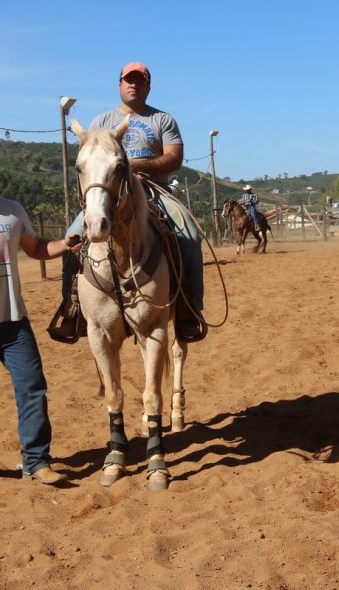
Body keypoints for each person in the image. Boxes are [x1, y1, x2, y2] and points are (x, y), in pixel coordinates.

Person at [64, 62, 205, 341]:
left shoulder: (162, 120)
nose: (133, 85)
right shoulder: (100, 122)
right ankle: (72, 307)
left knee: (189, 233)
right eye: (128, 80)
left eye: (139, 81)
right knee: (71, 238)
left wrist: (137, 166)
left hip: (154, 190)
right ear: (119, 84)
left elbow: (174, 158)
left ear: (148, 87)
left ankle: (189, 307)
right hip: (108, 194)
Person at [1, 195, 81, 484]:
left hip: (13, 322)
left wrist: (64, 244)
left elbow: (35, 248)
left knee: (32, 387)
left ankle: (35, 462)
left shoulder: (12, 210)